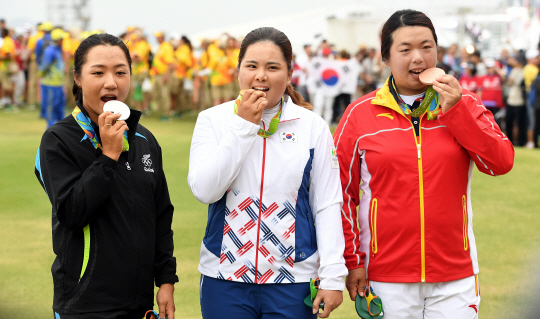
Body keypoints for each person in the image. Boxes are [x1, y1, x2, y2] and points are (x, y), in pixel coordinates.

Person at [334, 9, 514, 319]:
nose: (418, 58)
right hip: (386, 275)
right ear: (386, 58)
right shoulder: (359, 114)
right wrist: (353, 261)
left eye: (427, 47)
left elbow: (499, 162)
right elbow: (340, 195)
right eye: (405, 49)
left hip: (454, 274)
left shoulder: (465, 103)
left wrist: (456, 112)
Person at [188, 27, 347, 319]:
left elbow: (326, 203)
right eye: (252, 66)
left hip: (294, 278)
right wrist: (243, 127)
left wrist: (333, 275)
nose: (261, 75)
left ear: (289, 75)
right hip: (224, 276)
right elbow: (205, 190)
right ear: (238, 72)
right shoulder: (213, 120)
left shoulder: (312, 126)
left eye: (272, 67)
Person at [34, 33, 178, 319]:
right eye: (98, 72)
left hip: (141, 304)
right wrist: (108, 156)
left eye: (120, 72)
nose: (111, 82)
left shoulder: (144, 138)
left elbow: (160, 215)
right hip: (85, 305)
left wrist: (166, 280)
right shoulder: (58, 139)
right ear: (77, 77)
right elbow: (72, 213)